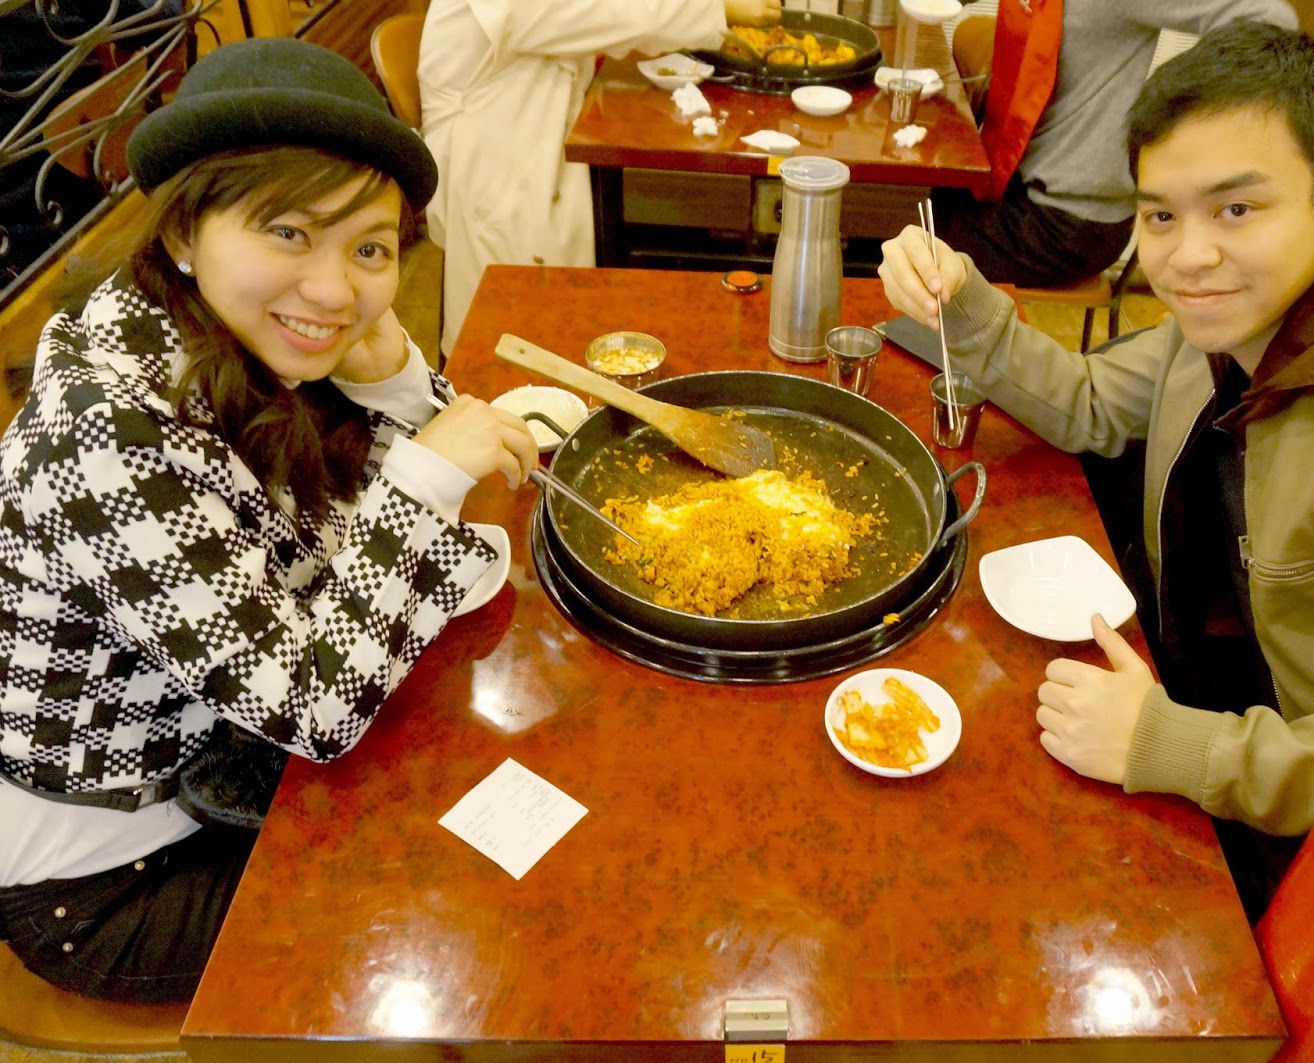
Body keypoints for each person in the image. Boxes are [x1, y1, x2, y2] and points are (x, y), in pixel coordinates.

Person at [879, 24, 1314, 888]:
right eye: (1160, 215)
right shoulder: (1248, 321)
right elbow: (1089, 404)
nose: (1188, 257)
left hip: (1300, 850)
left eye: (1236, 209)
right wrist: (960, 299)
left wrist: (1173, 743)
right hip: (1176, 680)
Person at [0, 38, 540, 1004]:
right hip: (118, 875)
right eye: (288, 231)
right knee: (469, 893)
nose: (334, 290)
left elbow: (336, 535)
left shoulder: (222, 327)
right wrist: (424, 477)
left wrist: (394, 385)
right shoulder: (107, 429)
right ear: (184, 229)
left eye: (368, 249)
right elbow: (311, 707)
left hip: (234, 763)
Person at [419, 0, 782, 358]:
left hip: (529, 128)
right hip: (493, 157)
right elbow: (607, 12)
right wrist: (719, 8)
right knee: (508, 334)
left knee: (555, 320)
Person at [941, 0, 1297, 288]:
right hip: (1017, 181)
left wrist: (1184, 109)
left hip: (1068, 221)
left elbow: (1268, 17)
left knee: (917, 243)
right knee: (924, 196)